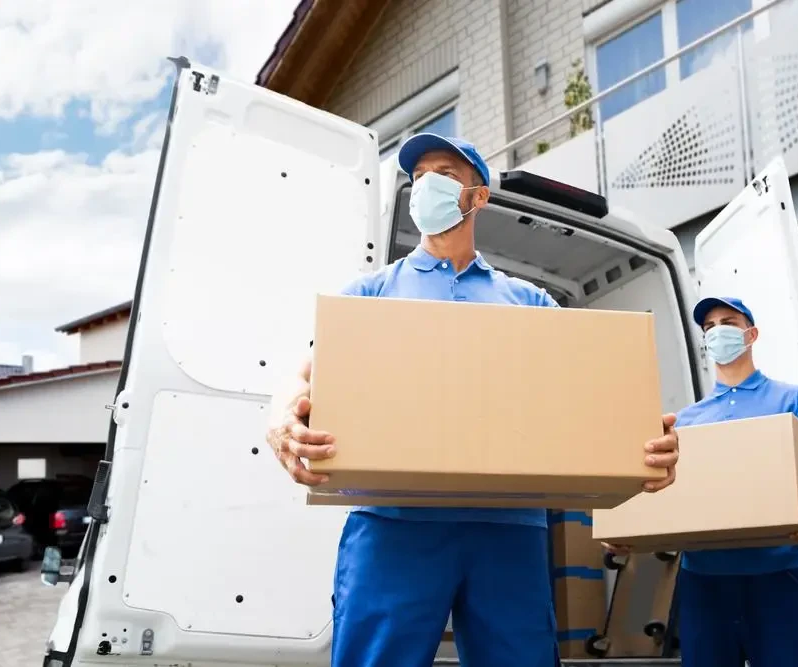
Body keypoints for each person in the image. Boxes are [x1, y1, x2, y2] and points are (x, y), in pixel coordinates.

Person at [264, 132, 681, 667]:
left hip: (508, 528)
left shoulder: (529, 302)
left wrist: (643, 445)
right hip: (394, 523)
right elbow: (303, 374)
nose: (426, 186)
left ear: (478, 196)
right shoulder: (371, 294)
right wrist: (281, 417)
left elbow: (591, 399)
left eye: (444, 176)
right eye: (419, 177)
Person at [605, 296, 798, 667]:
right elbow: (654, 494)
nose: (717, 331)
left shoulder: (793, 401)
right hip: (705, 583)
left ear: (751, 334)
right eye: (709, 327)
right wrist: (623, 531)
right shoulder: (685, 422)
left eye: (728, 323)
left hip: (780, 577)